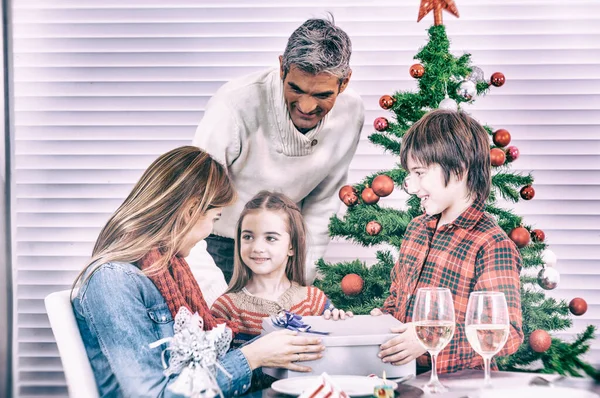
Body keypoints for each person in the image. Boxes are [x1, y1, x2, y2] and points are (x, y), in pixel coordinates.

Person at [71, 146, 325, 397]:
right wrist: (252, 356)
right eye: (215, 218)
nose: (208, 233)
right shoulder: (114, 280)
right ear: (191, 212)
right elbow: (152, 394)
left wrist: (281, 351)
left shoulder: (168, 273)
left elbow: (210, 371)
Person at [192, 16, 365, 285]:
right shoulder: (233, 105)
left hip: (285, 245)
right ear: (282, 67)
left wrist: (300, 281)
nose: (306, 107)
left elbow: (324, 203)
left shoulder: (351, 111)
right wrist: (208, 286)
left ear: (344, 82)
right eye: (295, 89)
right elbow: (193, 200)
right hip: (219, 242)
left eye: (322, 95)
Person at [373, 110, 524, 374]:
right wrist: (380, 322)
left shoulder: (491, 244)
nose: (414, 187)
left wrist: (428, 337)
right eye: (411, 175)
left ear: (458, 169)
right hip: (408, 380)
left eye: (420, 173)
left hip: (462, 386)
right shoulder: (417, 229)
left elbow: (507, 334)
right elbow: (397, 298)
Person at [211, 191, 352, 348]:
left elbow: (334, 353)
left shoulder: (314, 300)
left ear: (292, 246)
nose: (257, 247)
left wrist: (338, 325)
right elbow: (220, 368)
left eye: (270, 238)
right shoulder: (225, 308)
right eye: (248, 237)